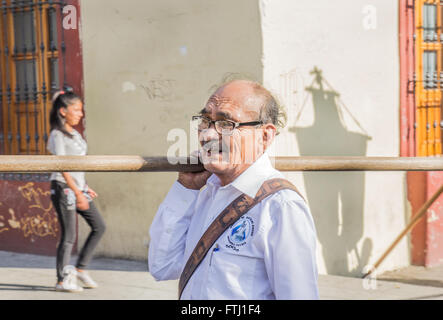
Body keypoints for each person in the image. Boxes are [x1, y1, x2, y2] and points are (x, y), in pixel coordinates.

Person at [148, 79, 319, 299]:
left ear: (264, 136)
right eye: (205, 120)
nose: (207, 135)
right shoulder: (208, 191)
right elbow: (162, 266)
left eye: (226, 124)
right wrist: (185, 190)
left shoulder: (280, 206)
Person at [47, 86, 106, 293]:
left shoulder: (74, 134)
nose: (80, 114)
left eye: (81, 110)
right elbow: (62, 166)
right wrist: (77, 191)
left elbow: (77, 165)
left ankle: (80, 269)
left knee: (99, 226)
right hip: (64, 188)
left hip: (77, 187)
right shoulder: (57, 135)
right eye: (77, 110)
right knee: (69, 235)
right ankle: (62, 280)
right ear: (63, 111)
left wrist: (84, 187)